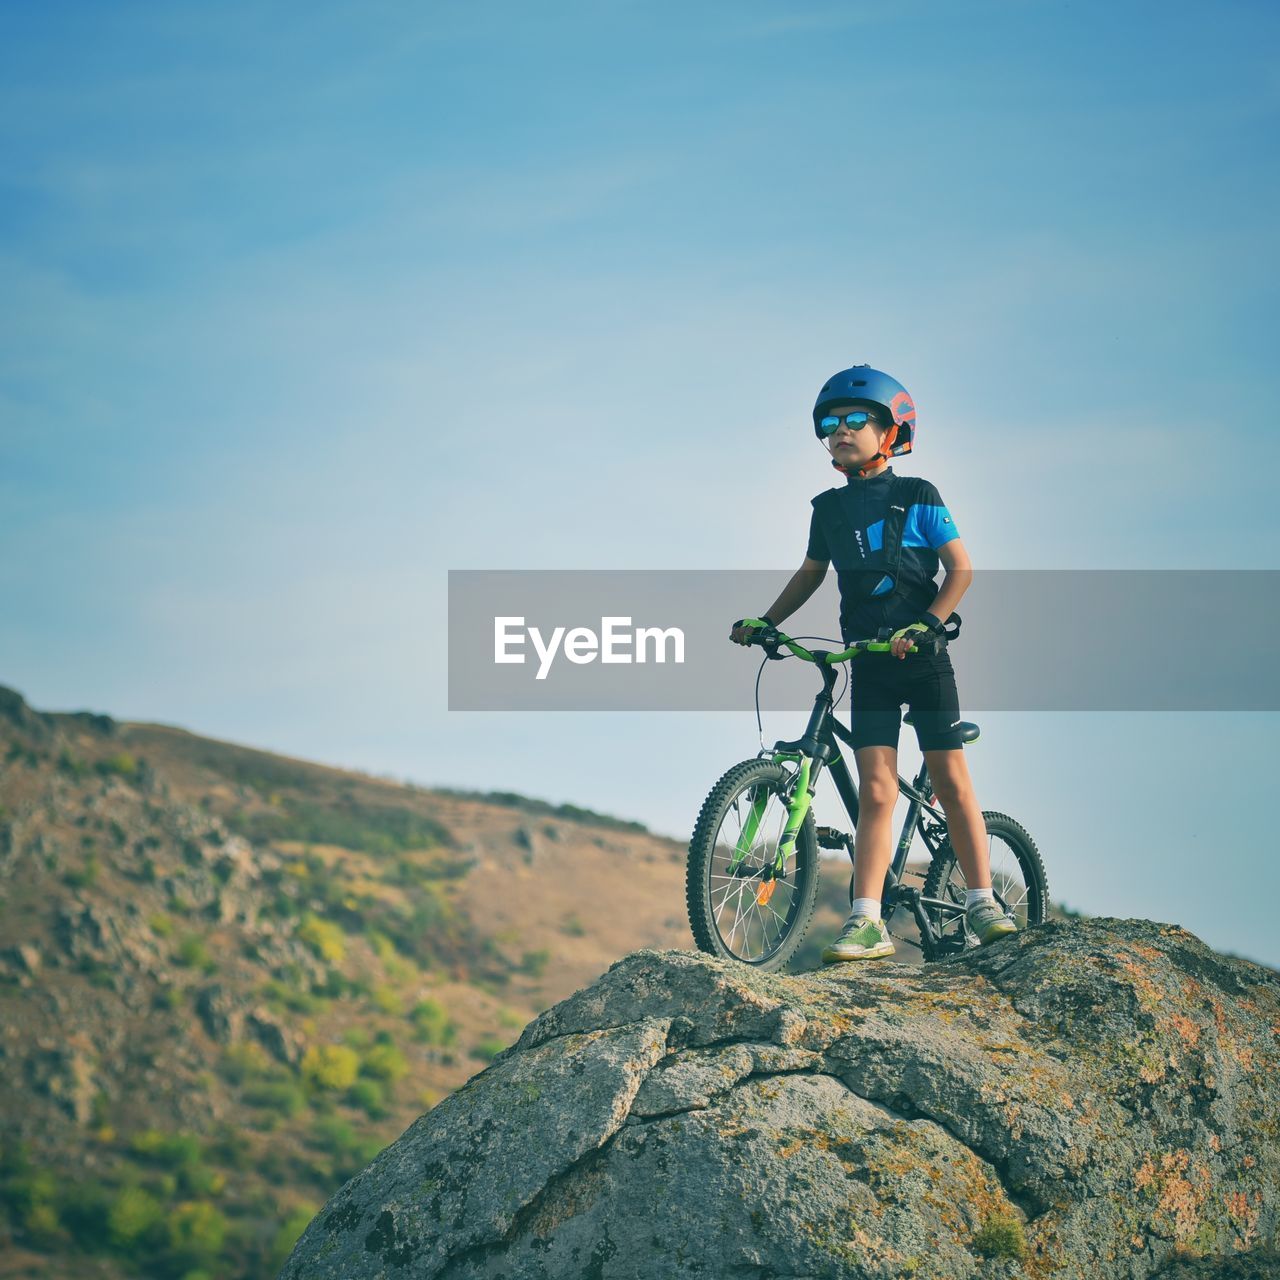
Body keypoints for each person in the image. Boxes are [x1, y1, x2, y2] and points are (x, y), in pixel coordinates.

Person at [729, 363, 1016, 962]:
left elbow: (961, 569)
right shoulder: (827, 509)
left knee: (949, 779)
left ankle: (983, 899)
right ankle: (866, 921)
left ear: (892, 431)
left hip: (924, 657)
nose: (840, 430)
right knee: (878, 790)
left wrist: (928, 623)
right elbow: (811, 574)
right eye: (829, 424)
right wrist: (768, 622)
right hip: (871, 663)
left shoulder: (918, 496)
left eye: (856, 420)